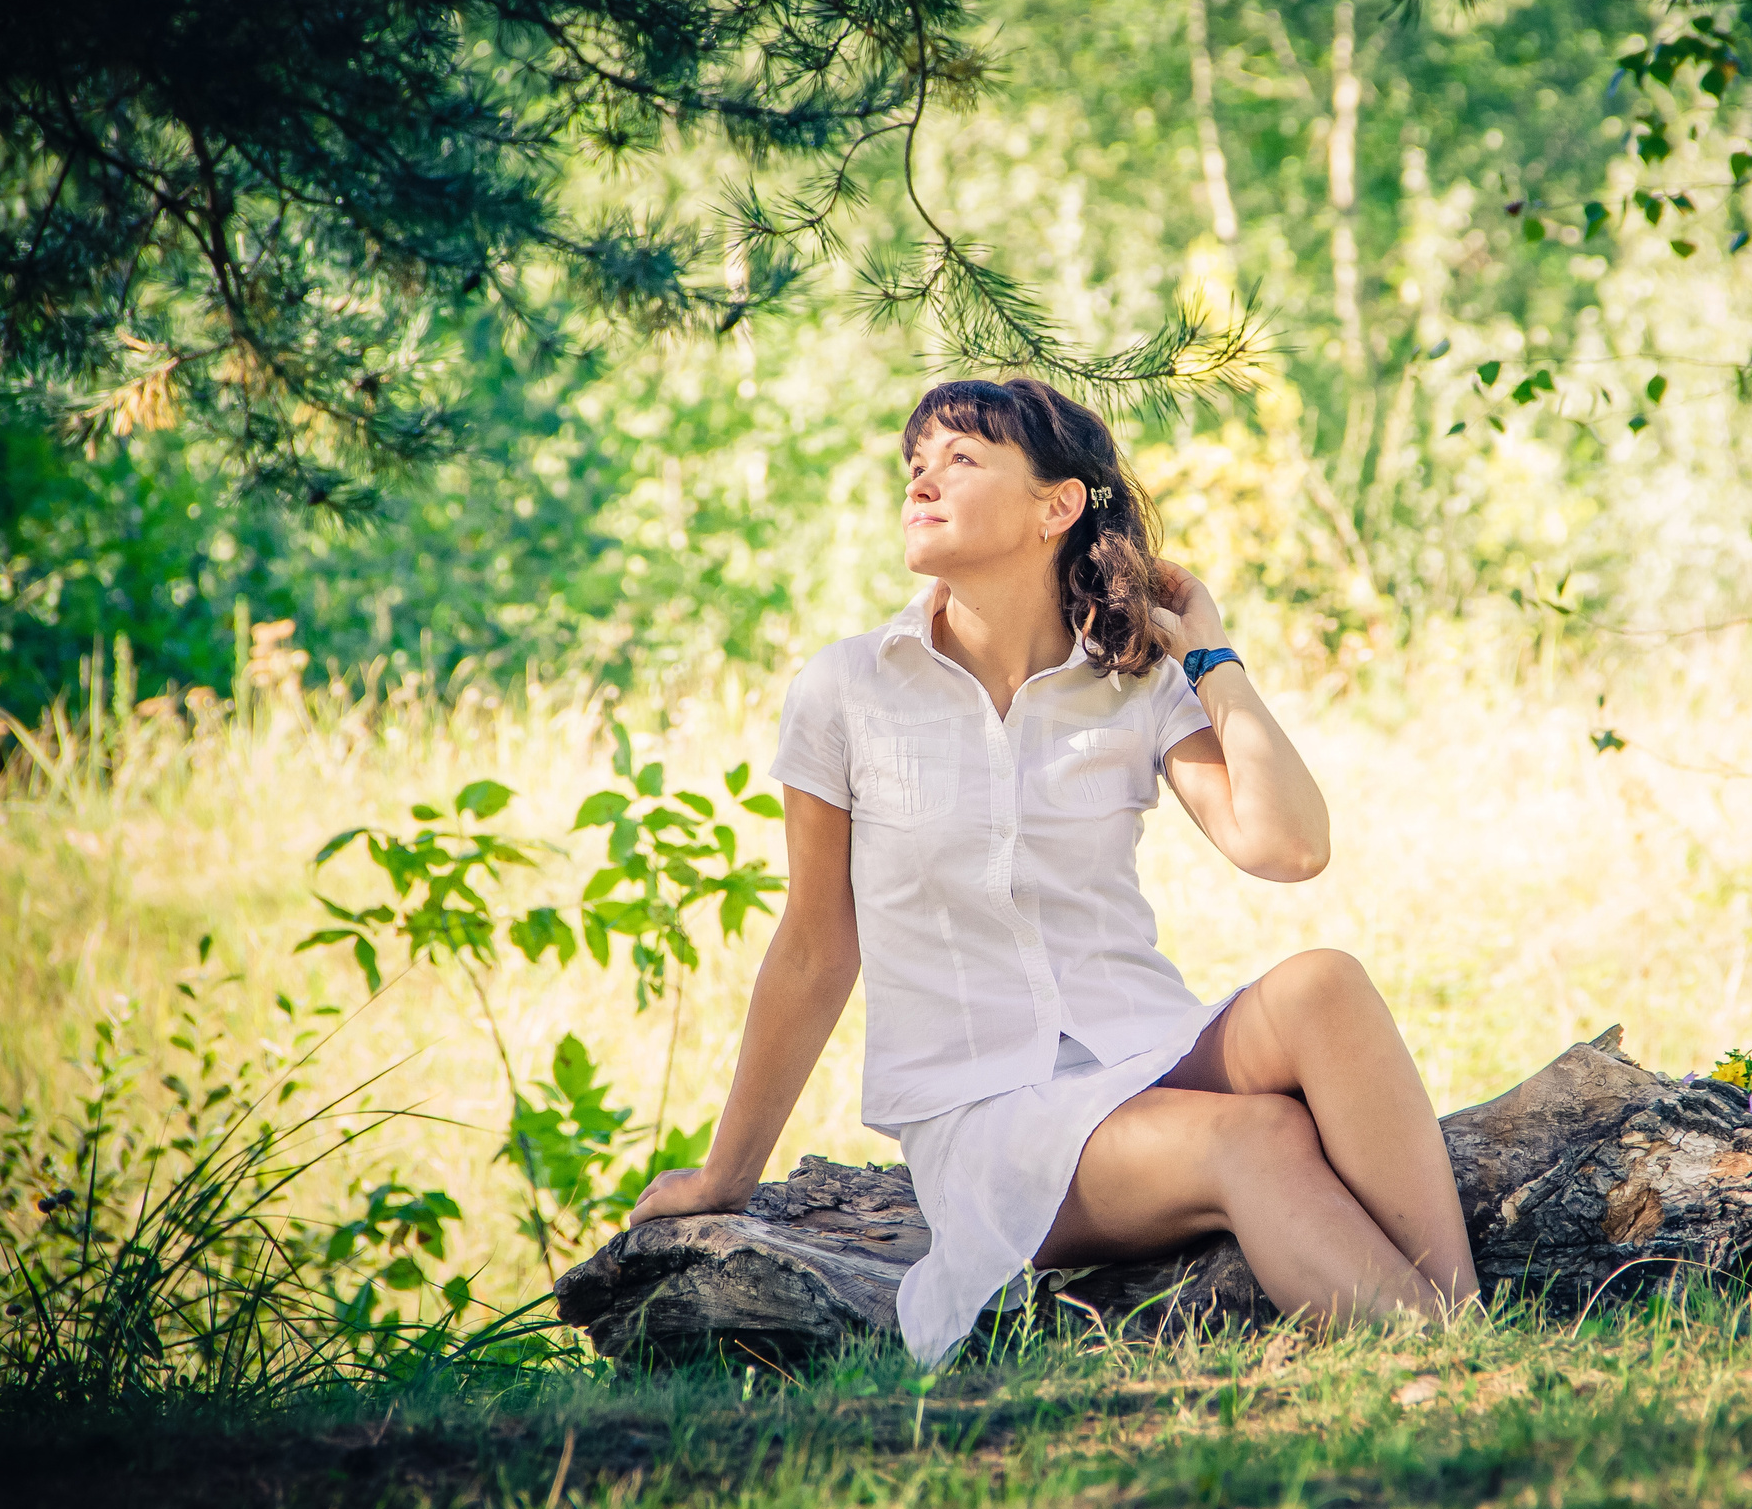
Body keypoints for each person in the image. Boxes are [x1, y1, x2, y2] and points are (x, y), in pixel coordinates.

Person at [629, 377, 1477, 1364]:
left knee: (1325, 983)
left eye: (960, 460)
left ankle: (1468, 1329)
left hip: (1140, 1046)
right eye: (914, 465)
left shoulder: (1132, 682)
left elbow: (1288, 848)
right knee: (1252, 1138)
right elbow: (816, 949)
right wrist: (725, 1177)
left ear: (1056, 506)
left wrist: (1208, 653)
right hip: (986, 1114)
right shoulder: (845, 692)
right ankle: (1443, 1358)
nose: (921, 484)